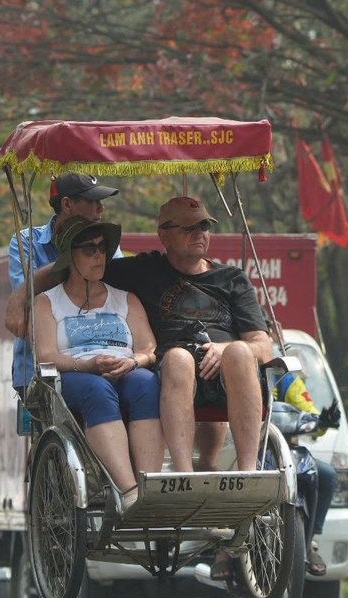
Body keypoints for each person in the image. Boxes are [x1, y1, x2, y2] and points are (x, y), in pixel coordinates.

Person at [105, 196, 273, 474]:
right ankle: (185, 474)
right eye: (188, 228)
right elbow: (84, 268)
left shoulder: (232, 279)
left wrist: (223, 349)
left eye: (205, 226)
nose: (199, 233)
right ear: (164, 236)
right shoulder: (144, 270)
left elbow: (263, 347)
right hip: (172, 375)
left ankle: (248, 471)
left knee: (241, 351)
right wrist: (24, 294)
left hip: (228, 375)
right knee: (179, 358)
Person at [33, 214, 162, 504]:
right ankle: (129, 493)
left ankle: (149, 491)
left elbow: (149, 348)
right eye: (89, 249)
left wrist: (133, 362)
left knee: (147, 383)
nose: (99, 255)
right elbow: (46, 356)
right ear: (70, 256)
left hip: (125, 369)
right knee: (97, 390)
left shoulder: (125, 299)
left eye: (102, 248)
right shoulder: (47, 302)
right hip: (77, 373)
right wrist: (88, 365)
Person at [4, 173, 122, 392]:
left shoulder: (103, 242)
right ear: (67, 204)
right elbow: (28, 299)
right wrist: (21, 294)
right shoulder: (26, 242)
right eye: (92, 201)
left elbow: (120, 287)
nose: (100, 208)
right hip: (40, 372)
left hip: (102, 360)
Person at [271, 368, 338, 577]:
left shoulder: (286, 379)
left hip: (285, 451)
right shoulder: (236, 371)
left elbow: (309, 413)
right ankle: (225, 551)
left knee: (327, 476)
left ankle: (310, 542)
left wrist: (324, 420)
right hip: (247, 452)